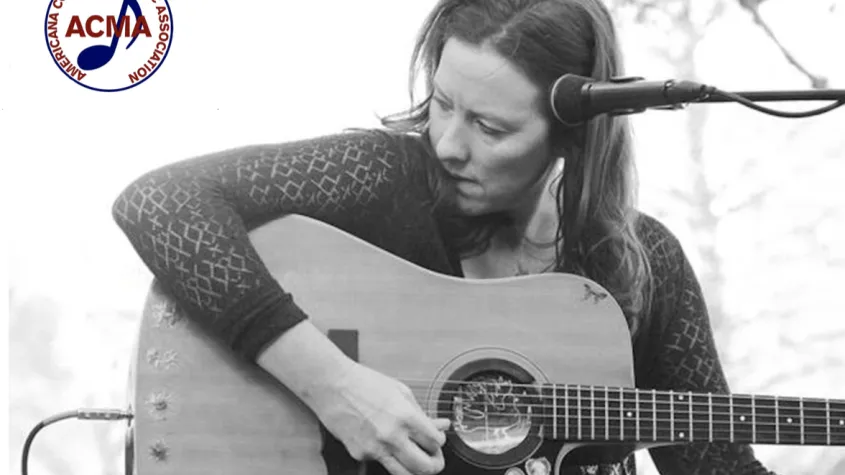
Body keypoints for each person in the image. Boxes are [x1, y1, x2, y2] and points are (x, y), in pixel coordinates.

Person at [111, 0, 779, 474]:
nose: (447, 143)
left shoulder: (639, 263)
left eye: (489, 129)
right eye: (442, 102)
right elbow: (160, 201)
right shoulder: (384, 177)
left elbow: (713, 457)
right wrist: (334, 384)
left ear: (572, 134)